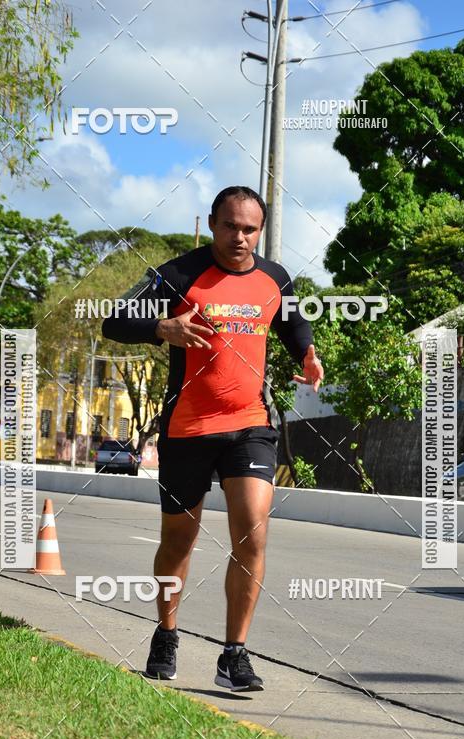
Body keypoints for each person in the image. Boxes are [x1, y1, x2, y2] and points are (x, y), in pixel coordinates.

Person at [103, 186, 323, 691]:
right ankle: (166, 633)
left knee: (253, 532)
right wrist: (162, 328)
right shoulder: (177, 274)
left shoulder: (275, 278)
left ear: (260, 230)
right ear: (212, 222)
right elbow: (115, 321)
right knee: (179, 540)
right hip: (188, 428)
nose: (239, 237)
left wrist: (308, 356)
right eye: (230, 226)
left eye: (249, 229)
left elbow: (292, 325)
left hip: (250, 424)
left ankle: (234, 654)